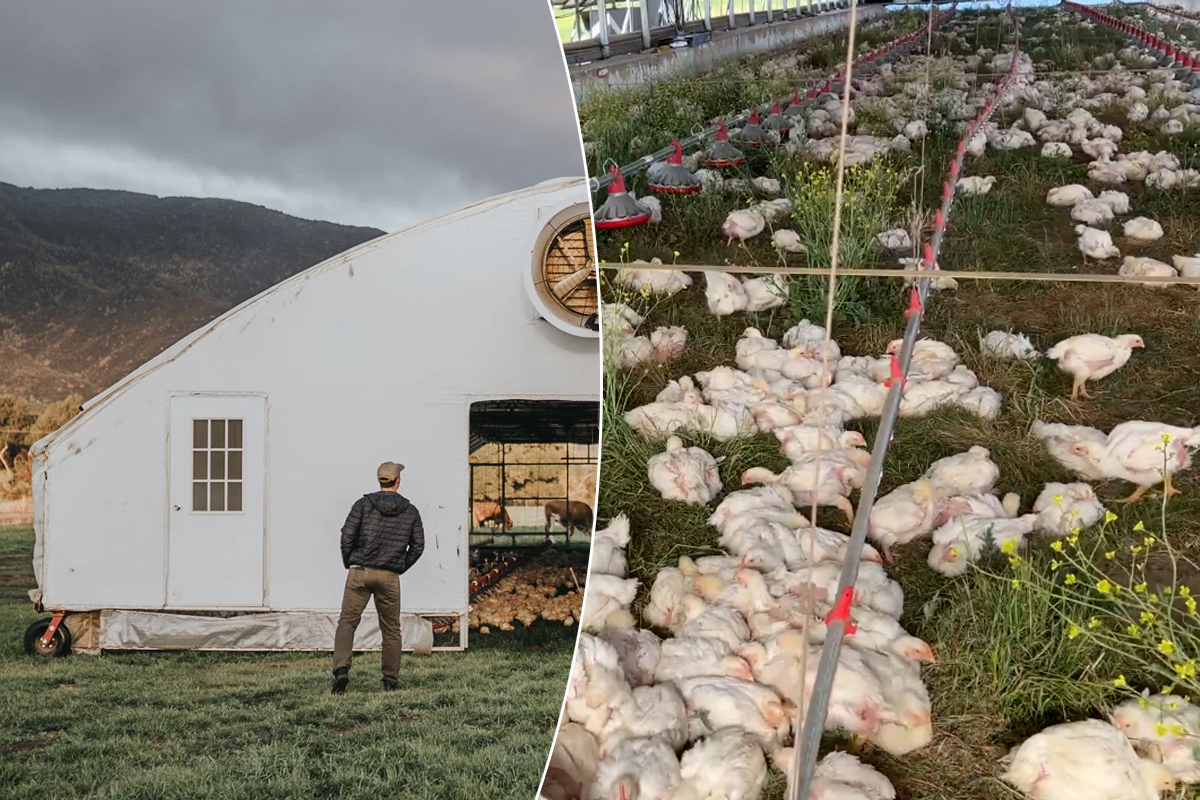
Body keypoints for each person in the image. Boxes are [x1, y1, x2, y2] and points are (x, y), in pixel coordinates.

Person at [332, 461, 424, 694]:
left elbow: (346, 536)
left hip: (359, 572)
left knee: (347, 622)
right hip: (389, 577)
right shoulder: (411, 511)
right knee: (391, 629)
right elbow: (418, 545)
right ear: (398, 481)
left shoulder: (362, 505)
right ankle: (389, 680)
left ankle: (341, 670)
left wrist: (350, 562)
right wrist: (400, 566)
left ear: (379, 480)